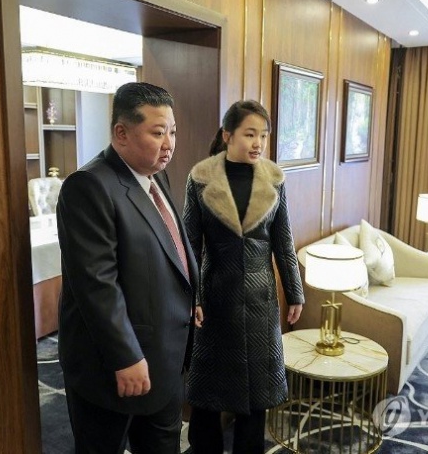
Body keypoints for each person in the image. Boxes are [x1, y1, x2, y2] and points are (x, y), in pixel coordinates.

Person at [56, 82, 198, 454]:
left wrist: (192, 296)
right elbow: (96, 284)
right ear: (121, 133)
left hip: (164, 359)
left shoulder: (156, 175)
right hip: (115, 367)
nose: (169, 144)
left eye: (172, 132)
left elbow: (170, 248)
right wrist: (126, 356)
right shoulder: (88, 187)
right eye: (158, 133)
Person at [183, 100, 305, 454]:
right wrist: (193, 297)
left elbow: (283, 241)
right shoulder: (200, 178)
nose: (258, 143)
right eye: (250, 134)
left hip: (260, 300)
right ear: (228, 135)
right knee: (207, 394)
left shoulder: (274, 179)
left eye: (263, 136)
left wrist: (295, 292)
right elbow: (190, 245)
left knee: (256, 396)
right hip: (214, 297)